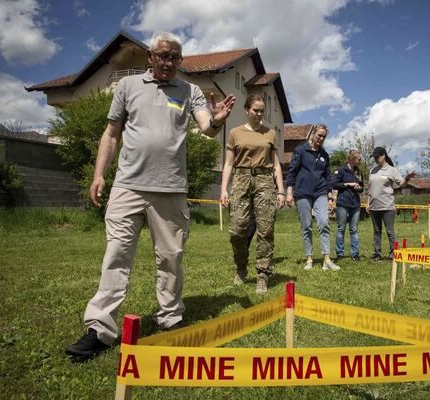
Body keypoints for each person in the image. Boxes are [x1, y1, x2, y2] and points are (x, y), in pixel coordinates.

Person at [65, 32, 236, 360]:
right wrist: (99, 174)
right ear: (150, 56)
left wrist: (217, 120)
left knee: (171, 258)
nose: (169, 62)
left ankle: (170, 319)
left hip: (171, 189)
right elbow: (112, 133)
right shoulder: (127, 87)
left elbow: (206, 127)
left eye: (175, 57)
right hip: (128, 187)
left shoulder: (190, 91)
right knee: (116, 255)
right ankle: (100, 330)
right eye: (163, 56)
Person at [220, 94, 285, 294]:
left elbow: (276, 165)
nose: (259, 114)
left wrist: (281, 190)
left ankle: (262, 275)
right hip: (241, 180)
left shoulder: (270, 134)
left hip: (265, 182)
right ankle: (241, 266)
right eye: (255, 110)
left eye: (261, 110)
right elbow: (229, 163)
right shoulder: (234, 132)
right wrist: (223, 189)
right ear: (247, 110)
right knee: (237, 230)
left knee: (266, 230)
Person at [285, 124, 340, 271]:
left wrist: (330, 197)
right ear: (313, 134)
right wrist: (289, 192)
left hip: (320, 192)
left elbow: (328, 177)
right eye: (319, 135)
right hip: (302, 192)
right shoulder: (301, 150)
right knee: (307, 225)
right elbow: (292, 171)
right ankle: (309, 259)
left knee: (323, 221)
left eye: (323, 137)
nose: (321, 139)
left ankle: (327, 259)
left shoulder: (324, 155)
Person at [367, 146, 416, 261]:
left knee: (390, 231)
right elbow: (370, 188)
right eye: (374, 157)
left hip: (387, 206)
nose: (375, 159)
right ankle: (377, 253)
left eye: (377, 157)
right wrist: (368, 203)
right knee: (376, 232)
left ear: (384, 156)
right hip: (374, 206)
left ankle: (393, 254)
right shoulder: (372, 170)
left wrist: (407, 179)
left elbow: (402, 184)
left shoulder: (392, 170)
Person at [332, 149, 364, 261]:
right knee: (341, 228)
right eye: (358, 159)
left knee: (354, 229)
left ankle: (355, 254)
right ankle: (339, 254)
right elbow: (334, 184)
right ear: (351, 159)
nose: (360, 161)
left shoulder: (359, 172)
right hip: (342, 203)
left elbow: (362, 188)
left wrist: (359, 188)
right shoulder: (341, 170)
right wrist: (348, 184)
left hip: (355, 204)